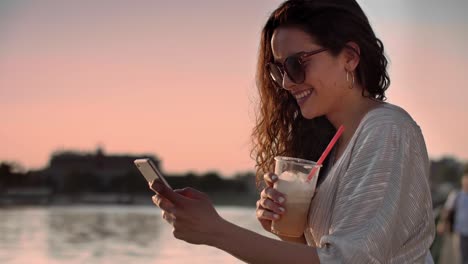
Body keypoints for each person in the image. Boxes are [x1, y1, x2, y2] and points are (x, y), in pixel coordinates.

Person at [149, 0, 435, 263]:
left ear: (349, 57)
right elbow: (328, 253)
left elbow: (348, 261)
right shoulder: (335, 142)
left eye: (296, 64)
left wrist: (216, 231)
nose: (286, 82)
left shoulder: (386, 130)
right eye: (278, 69)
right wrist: (289, 230)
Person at [438, 174, 468, 264]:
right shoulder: (456, 195)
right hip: (459, 231)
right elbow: (447, 210)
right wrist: (442, 223)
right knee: (461, 257)